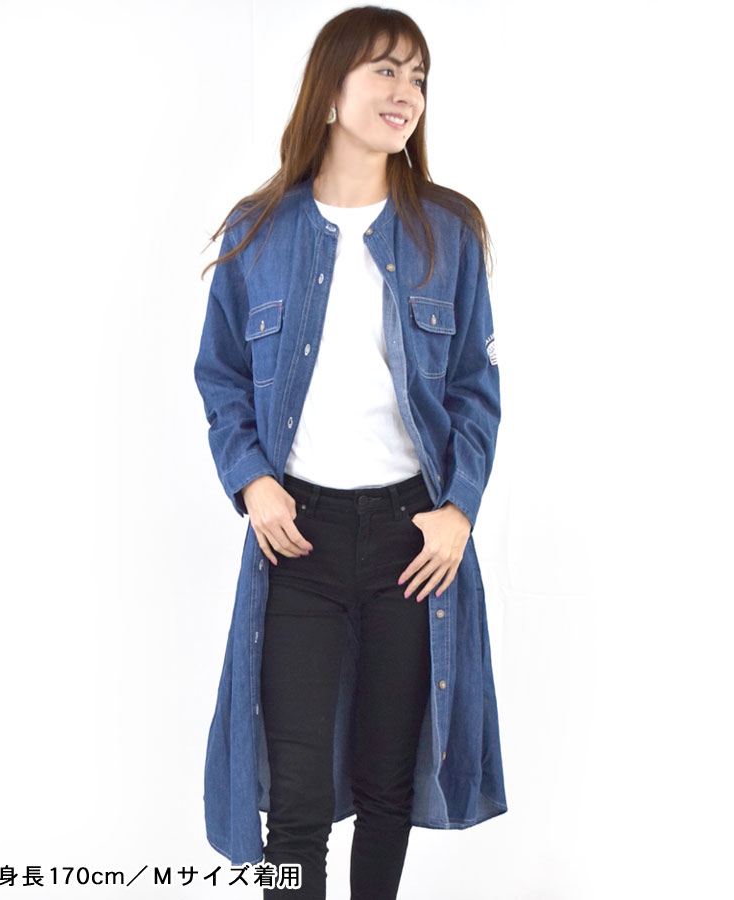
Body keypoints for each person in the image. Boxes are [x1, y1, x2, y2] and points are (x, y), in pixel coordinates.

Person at [194, 7, 508, 899]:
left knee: (385, 789)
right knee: (295, 801)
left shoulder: (447, 230)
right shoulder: (258, 229)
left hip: (413, 541)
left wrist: (459, 510)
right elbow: (220, 377)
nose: (405, 92)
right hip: (299, 541)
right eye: (385, 70)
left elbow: (475, 390)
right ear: (330, 89)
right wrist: (252, 482)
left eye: (418, 77)